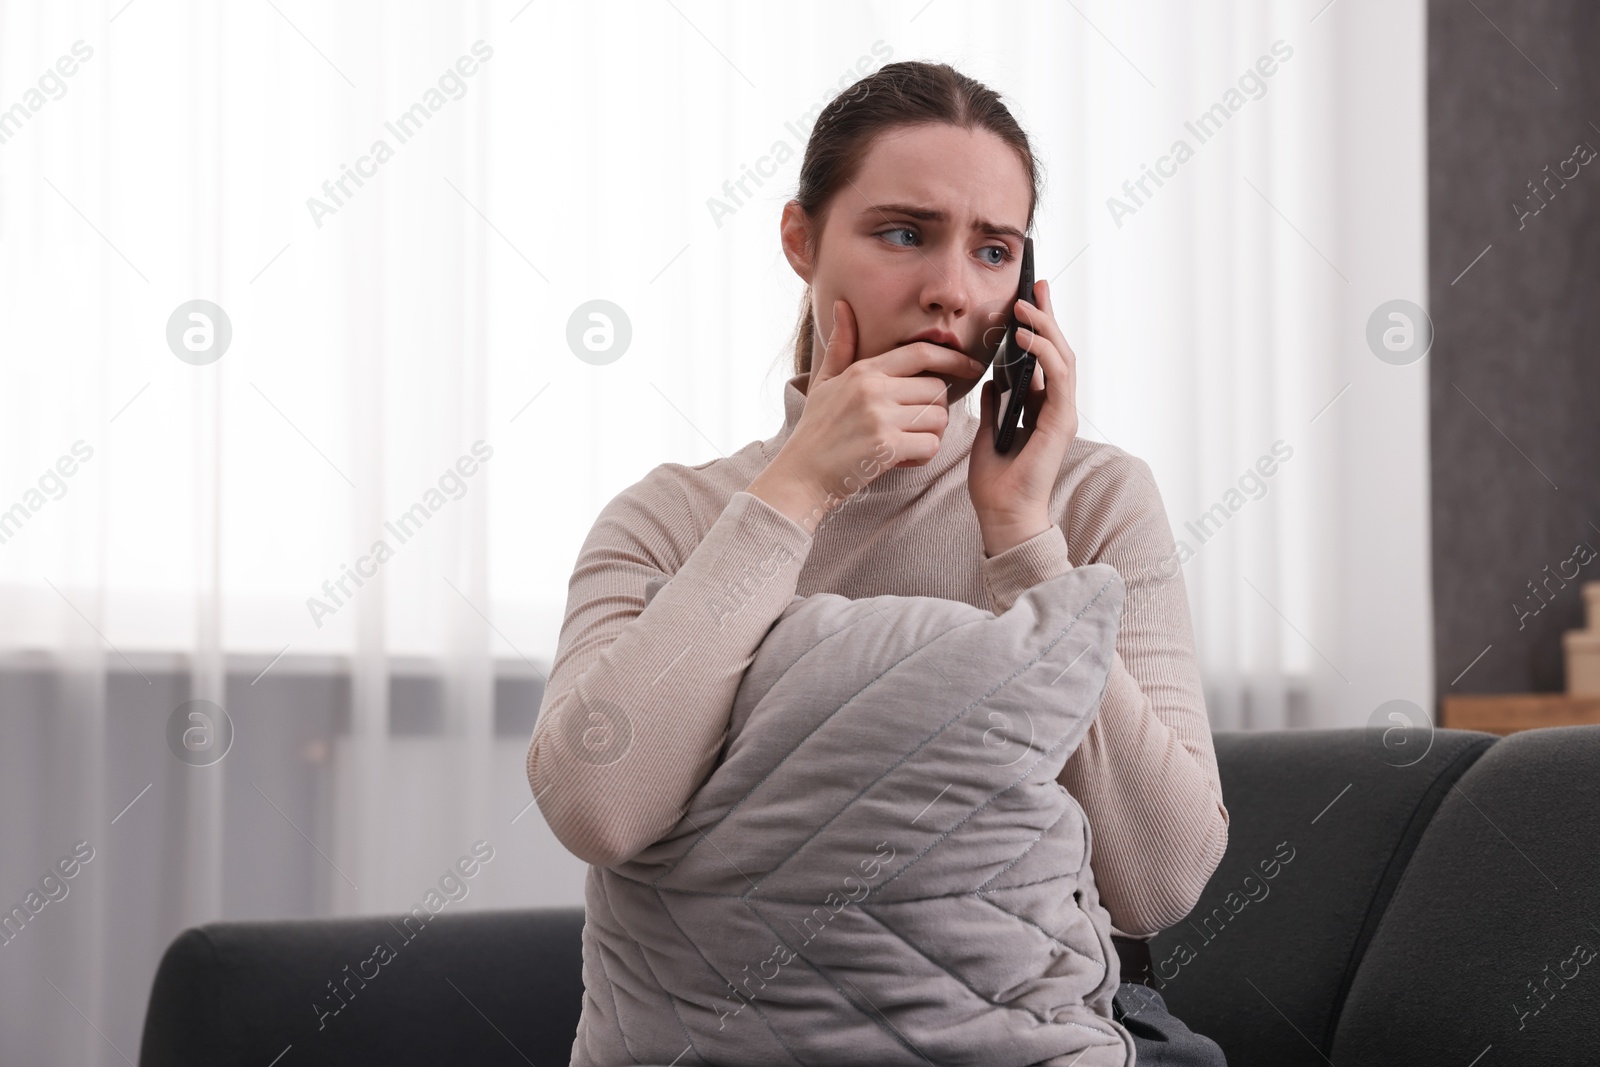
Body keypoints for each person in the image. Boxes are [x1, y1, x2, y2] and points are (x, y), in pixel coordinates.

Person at [528, 59, 1229, 1066]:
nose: (951, 289)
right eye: (903, 233)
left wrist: (1023, 535)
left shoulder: (1092, 497)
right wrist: (796, 491)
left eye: (993, 251)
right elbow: (597, 807)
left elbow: (1157, 880)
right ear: (801, 240)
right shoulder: (668, 517)